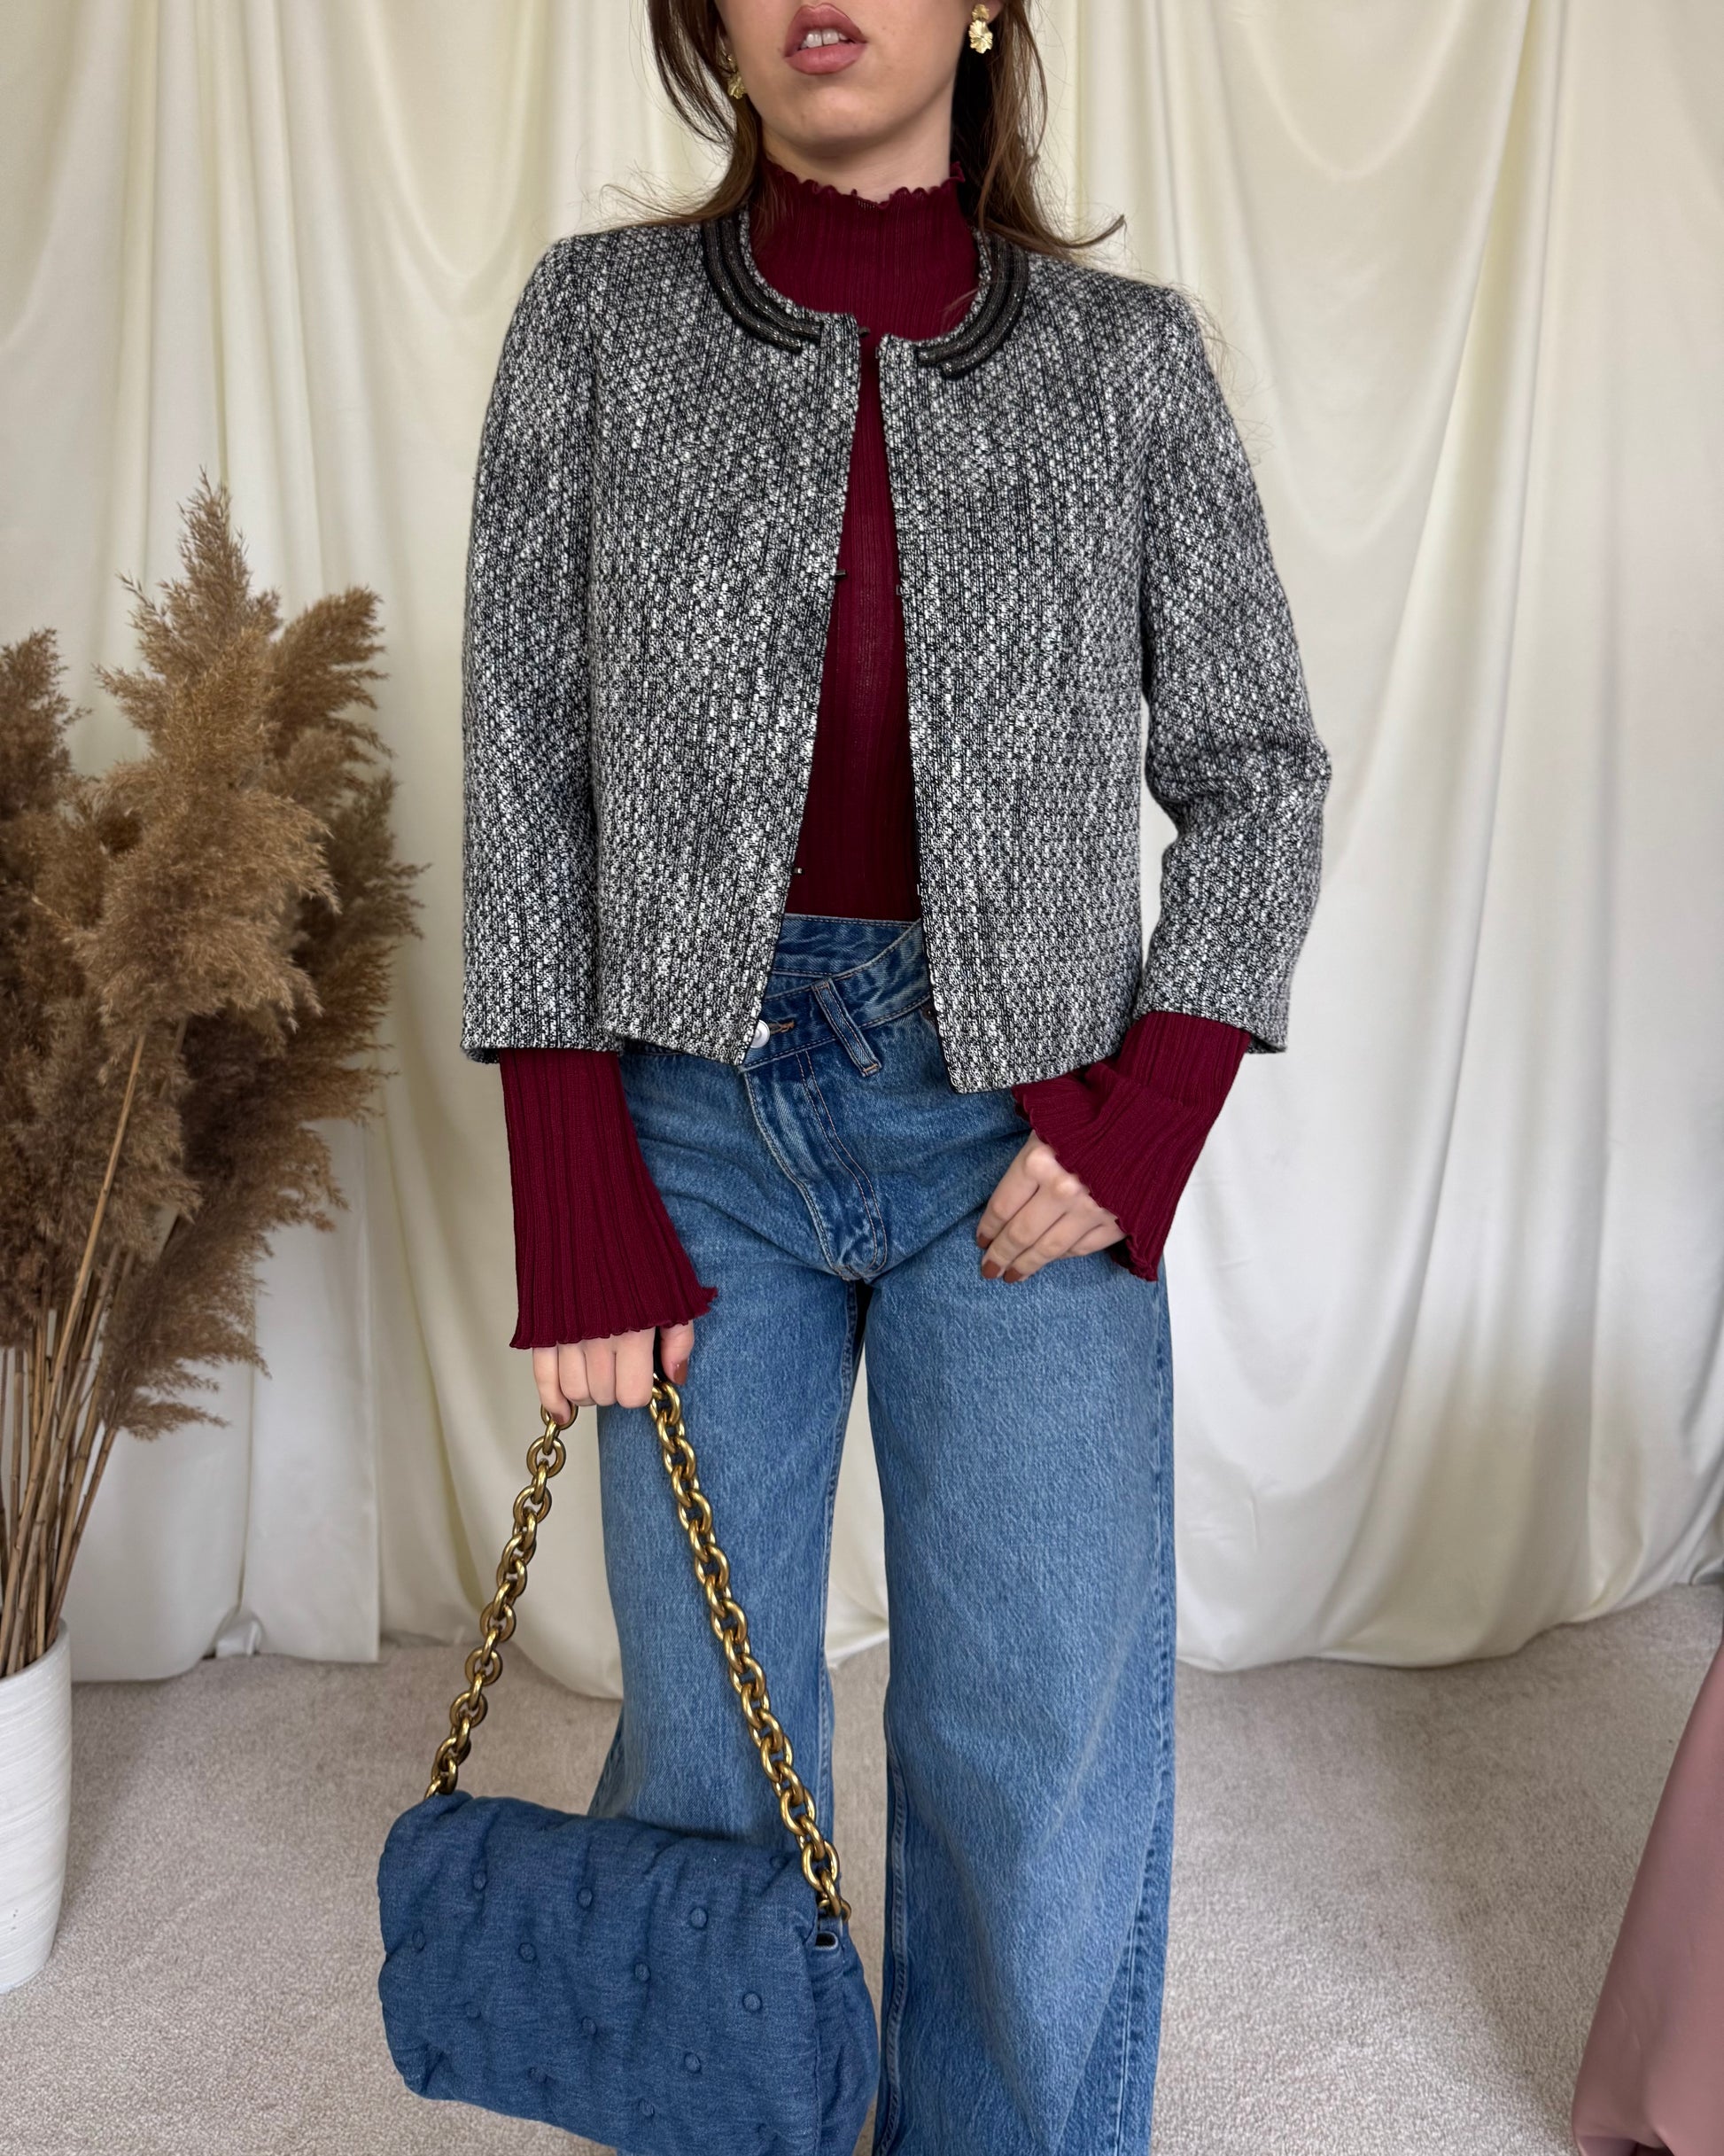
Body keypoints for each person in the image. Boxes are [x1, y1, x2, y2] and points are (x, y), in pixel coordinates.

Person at [459, 2, 1331, 2148]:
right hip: (687, 1123)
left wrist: (1147, 1116)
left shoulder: (1127, 363)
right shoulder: (594, 326)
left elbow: (1257, 774)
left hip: (1024, 1128)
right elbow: (523, 765)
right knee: (706, 1761)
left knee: (1033, 1759)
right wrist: (572, 1179)